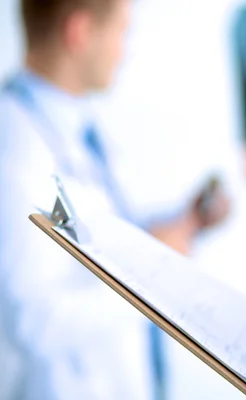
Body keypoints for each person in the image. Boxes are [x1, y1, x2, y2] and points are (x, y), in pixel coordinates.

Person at [0, 0, 229, 399]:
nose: (126, 50)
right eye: (121, 31)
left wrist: (184, 223)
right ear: (79, 31)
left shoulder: (71, 124)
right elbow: (33, 320)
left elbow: (91, 235)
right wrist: (149, 275)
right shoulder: (15, 148)